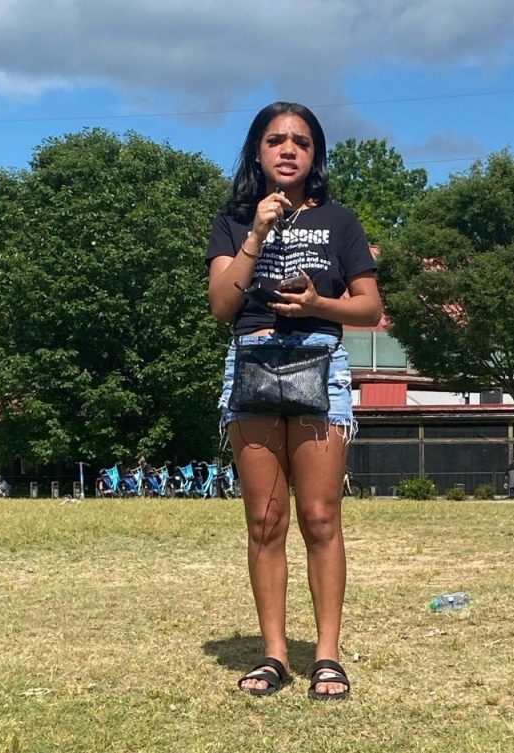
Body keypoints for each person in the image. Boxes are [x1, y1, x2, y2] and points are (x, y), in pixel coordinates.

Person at [206, 102, 383, 700]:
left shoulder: (339, 221)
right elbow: (221, 305)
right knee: (264, 519)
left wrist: (317, 305)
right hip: (252, 359)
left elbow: (369, 308)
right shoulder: (233, 221)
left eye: (301, 142)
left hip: (320, 361)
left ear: (315, 155)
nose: (288, 150)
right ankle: (275, 654)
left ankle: (327, 655)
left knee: (320, 516)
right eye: (276, 140)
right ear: (257, 150)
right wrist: (257, 232)